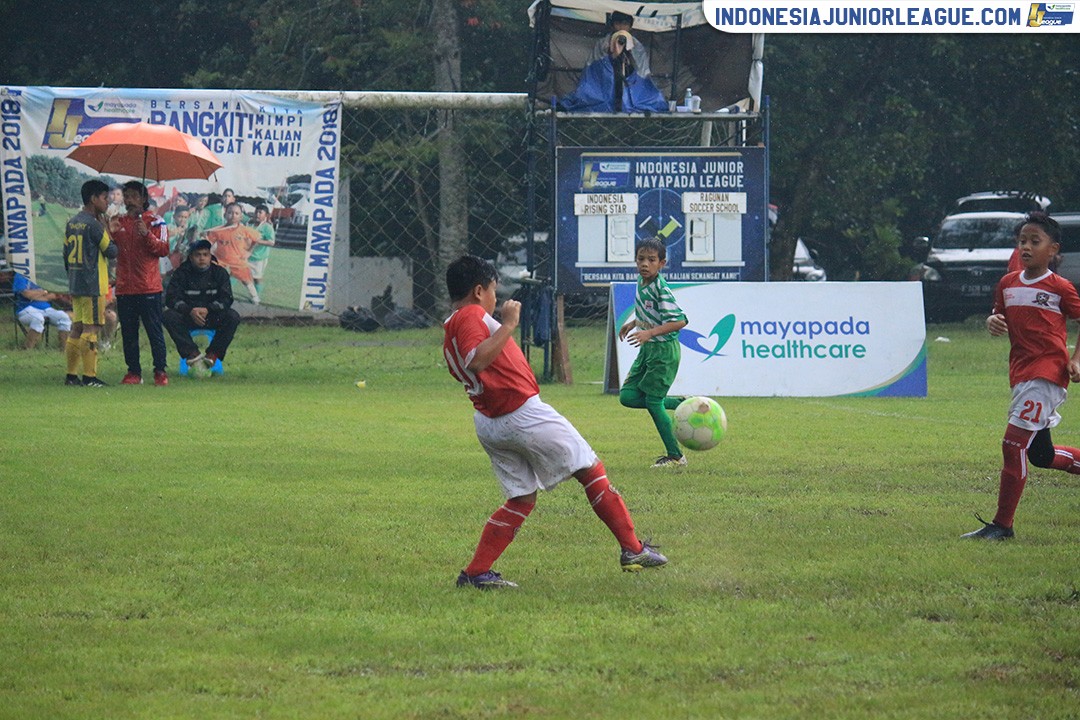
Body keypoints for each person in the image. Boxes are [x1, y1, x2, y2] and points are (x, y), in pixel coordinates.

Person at [443, 255, 667, 589]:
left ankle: (476, 572)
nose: (496, 299)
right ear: (478, 291)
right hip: (522, 414)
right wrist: (508, 324)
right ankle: (633, 549)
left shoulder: (451, 324)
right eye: (493, 291)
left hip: (490, 420)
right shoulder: (473, 315)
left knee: (521, 499)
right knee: (590, 469)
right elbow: (478, 361)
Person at [965, 211, 1080, 540]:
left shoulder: (1060, 288)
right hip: (1021, 373)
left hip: (1046, 374)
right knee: (1041, 455)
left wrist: (1076, 360)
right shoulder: (1008, 283)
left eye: (1035, 241)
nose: (1026, 247)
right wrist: (993, 322)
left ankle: (1002, 526)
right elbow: (998, 316)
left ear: (1053, 249)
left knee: (1012, 443)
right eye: (1022, 241)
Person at [618, 237, 689, 468]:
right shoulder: (641, 281)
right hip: (648, 350)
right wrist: (633, 323)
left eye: (651, 260)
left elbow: (680, 321)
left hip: (663, 352)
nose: (645, 264)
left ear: (662, 264)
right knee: (627, 397)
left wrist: (649, 333)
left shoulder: (661, 288)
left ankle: (676, 456)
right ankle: (681, 404)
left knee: (653, 402)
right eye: (641, 259)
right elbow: (651, 314)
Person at [111, 180, 171, 386]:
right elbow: (109, 250)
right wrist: (110, 232)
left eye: (134, 196)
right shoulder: (118, 222)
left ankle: (160, 371)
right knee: (129, 332)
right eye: (126, 196)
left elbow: (163, 249)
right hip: (125, 287)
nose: (129, 201)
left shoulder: (156, 222)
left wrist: (147, 235)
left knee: (154, 330)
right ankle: (134, 372)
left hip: (149, 287)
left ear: (144, 198)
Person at [63, 179, 117, 387]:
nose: (107, 202)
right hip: (93, 284)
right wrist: (107, 230)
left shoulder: (72, 222)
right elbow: (112, 251)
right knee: (91, 328)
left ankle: (70, 375)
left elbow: (65, 254)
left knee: (77, 327)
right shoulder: (95, 225)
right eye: (105, 198)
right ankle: (90, 376)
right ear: (93, 199)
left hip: (76, 282)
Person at [163, 239, 241, 371]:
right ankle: (192, 354)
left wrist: (208, 309)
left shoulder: (220, 273)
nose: (202, 258)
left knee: (232, 316)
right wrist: (190, 311)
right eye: (198, 255)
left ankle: (213, 354)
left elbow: (227, 299)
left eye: (205, 255)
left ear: (210, 256)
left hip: (212, 317)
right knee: (168, 316)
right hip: (188, 317)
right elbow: (171, 299)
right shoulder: (181, 273)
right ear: (191, 257)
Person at [559, 28, 667, 113]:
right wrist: (615, 54)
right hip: (604, 95)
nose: (621, 43)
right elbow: (597, 77)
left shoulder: (635, 51)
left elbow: (640, 77)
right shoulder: (603, 51)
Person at [204, 202, 261, 304]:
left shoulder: (244, 229)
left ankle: (254, 296)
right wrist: (203, 237)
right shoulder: (218, 230)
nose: (233, 215)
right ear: (225, 214)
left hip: (238, 260)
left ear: (241, 216)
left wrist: (249, 252)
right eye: (230, 212)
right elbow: (209, 242)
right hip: (221, 260)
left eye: (236, 213)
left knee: (246, 280)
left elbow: (256, 239)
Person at [8, 269, 71, 350]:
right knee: (38, 318)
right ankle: (27, 349)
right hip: (25, 309)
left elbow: (53, 295)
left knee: (64, 317)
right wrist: (44, 292)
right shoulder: (21, 275)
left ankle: (64, 349)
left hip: (46, 308)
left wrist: (36, 294)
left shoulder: (44, 275)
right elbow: (27, 294)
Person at [587, 10, 651, 79]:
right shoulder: (603, 43)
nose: (621, 27)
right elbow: (594, 66)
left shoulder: (637, 45)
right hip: (605, 79)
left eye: (625, 24)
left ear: (630, 27)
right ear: (612, 25)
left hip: (631, 82)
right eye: (618, 23)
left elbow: (642, 71)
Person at [247, 204, 276, 298]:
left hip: (259, 257)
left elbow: (271, 242)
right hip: (246, 255)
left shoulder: (267, 227)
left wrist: (258, 241)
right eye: (256, 212)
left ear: (266, 215)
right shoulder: (250, 224)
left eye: (260, 212)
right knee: (235, 273)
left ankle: (256, 296)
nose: (257, 214)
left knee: (256, 278)